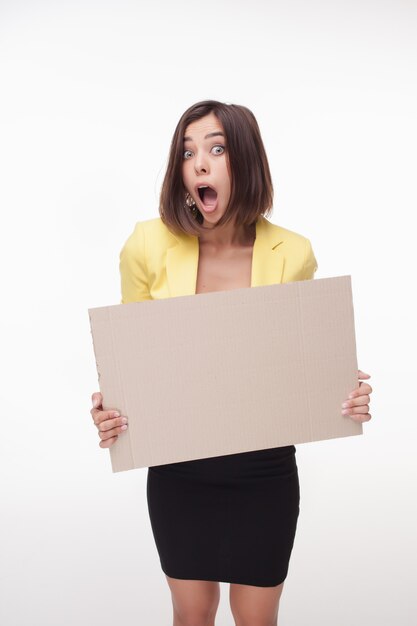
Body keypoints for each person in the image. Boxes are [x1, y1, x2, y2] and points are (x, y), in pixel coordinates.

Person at [90, 100, 373, 626]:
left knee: (257, 620)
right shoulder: (146, 246)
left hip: (262, 470)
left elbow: (298, 366)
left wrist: (344, 392)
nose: (199, 163)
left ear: (244, 159)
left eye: (216, 148)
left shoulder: (294, 252)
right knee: (192, 614)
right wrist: (112, 409)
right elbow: (134, 364)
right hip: (179, 470)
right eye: (188, 151)